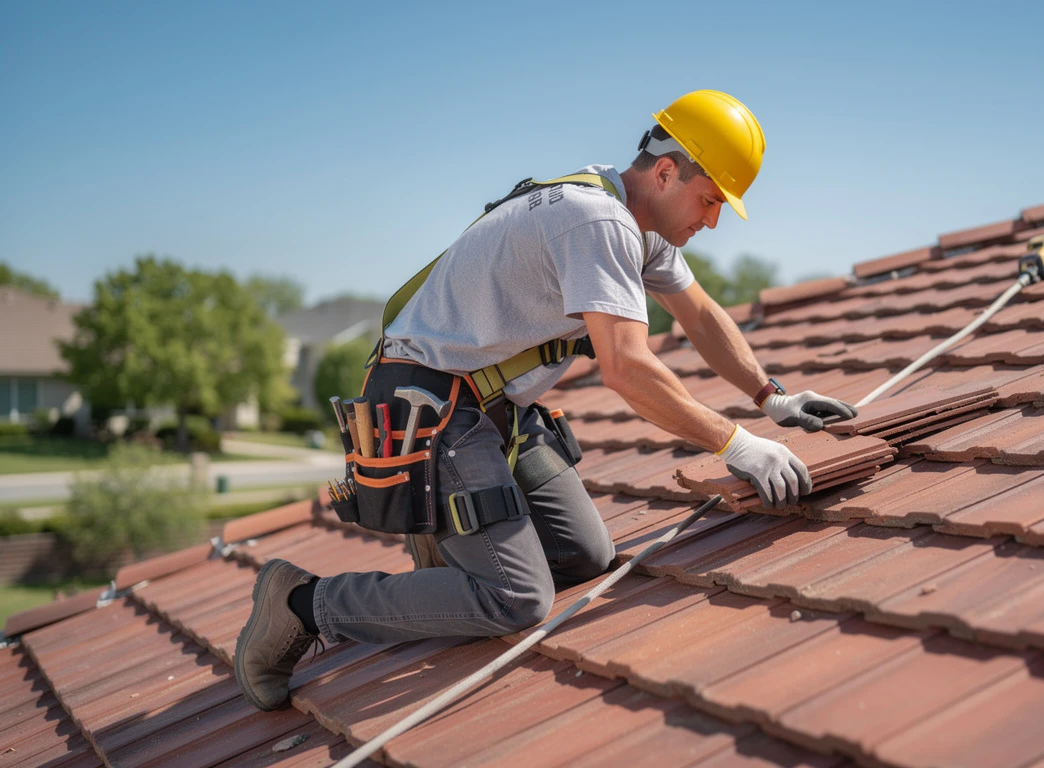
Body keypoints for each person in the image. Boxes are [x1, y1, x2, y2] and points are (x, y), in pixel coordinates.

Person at [235, 90, 857, 711]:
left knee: (585, 556)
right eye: (710, 200)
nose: (714, 220)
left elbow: (699, 315)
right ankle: (301, 603)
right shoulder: (600, 223)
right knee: (515, 599)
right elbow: (627, 368)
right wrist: (737, 443)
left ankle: (453, 548)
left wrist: (769, 397)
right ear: (666, 172)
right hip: (433, 405)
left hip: (494, 407)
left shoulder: (635, 220)